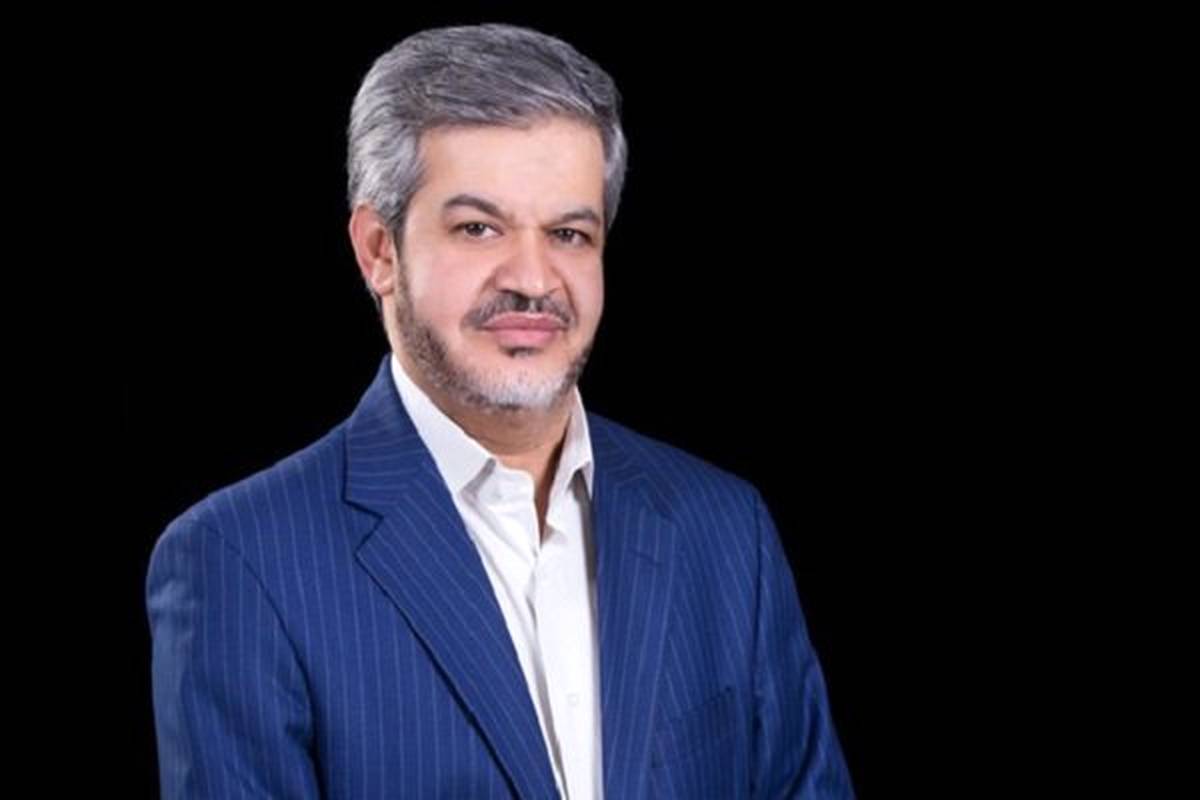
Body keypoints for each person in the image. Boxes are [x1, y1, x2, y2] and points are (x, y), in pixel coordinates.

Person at [146, 22, 854, 799]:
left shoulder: (725, 529)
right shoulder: (241, 562)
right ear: (379, 250)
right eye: (478, 228)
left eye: (569, 233)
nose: (533, 279)